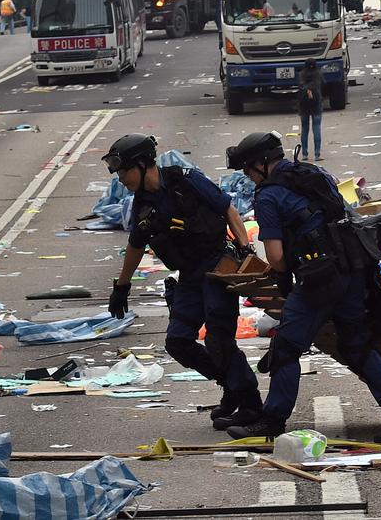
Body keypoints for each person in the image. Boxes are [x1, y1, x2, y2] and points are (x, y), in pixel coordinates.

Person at [224, 132, 381, 440]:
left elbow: (275, 258)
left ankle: (272, 421)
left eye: (248, 169)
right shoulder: (314, 174)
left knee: (287, 347)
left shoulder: (268, 196)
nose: (248, 177)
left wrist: (285, 269)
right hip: (354, 270)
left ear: (262, 164)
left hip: (319, 279)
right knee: (356, 344)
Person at [102, 134, 262, 430]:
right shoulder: (142, 205)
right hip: (189, 276)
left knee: (218, 338)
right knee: (177, 341)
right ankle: (230, 385)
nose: (121, 179)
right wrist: (121, 286)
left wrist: (243, 246)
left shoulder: (186, 180)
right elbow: (136, 246)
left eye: (124, 171)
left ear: (141, 164)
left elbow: (227, 208)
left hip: (217, 267)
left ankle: (250, 403)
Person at [297, 59, 324, 161]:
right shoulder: (318, 74)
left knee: (304, 128)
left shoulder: (301, 74)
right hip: (316, 104)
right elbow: (324, 84)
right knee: (316, 127)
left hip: (303, 105)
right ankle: (317, 154)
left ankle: (304, 154)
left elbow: (300, 87)